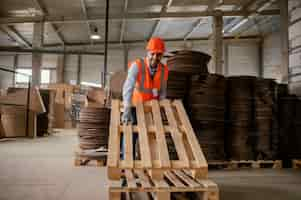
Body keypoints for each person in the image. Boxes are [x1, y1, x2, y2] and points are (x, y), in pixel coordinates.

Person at [121, 37, 168, 124]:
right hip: (136, 107)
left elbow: (162, 92)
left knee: (152, 136)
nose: (155, 57)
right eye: (152, 54)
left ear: (162, 55)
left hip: (153, 108)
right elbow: (128, 88)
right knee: (131, 135)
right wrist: (127, 108)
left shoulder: (164, 70)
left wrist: (161, 108)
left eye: (158, 54)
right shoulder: (137, 65)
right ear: (148, 53)